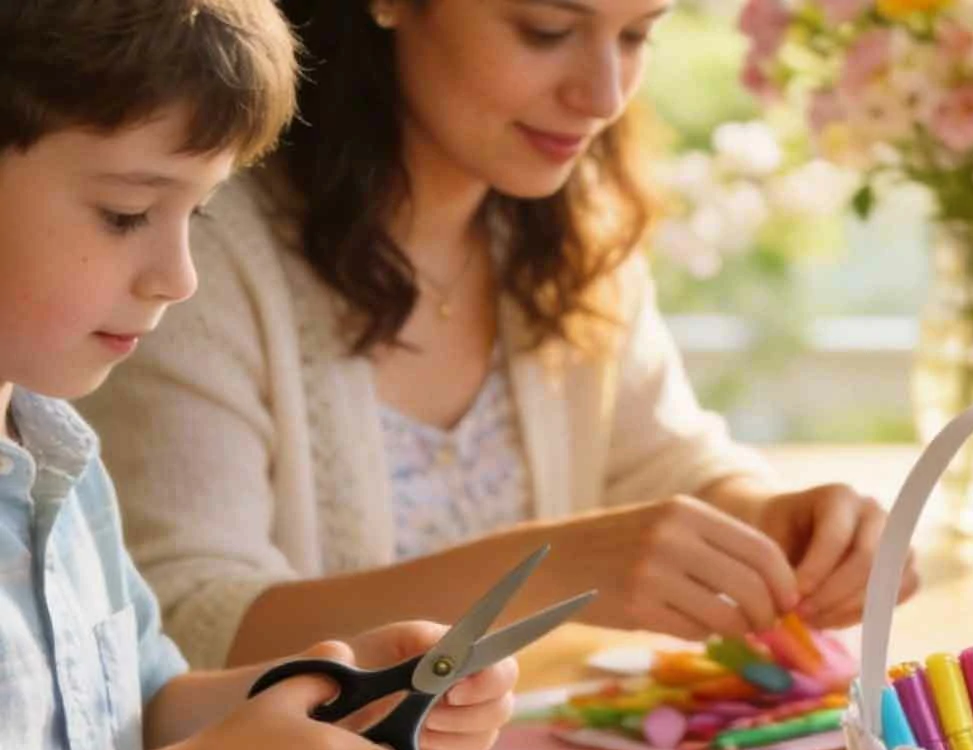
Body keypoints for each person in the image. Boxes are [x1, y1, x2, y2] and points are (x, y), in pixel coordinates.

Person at [81, 0, 915, 669]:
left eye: (636, 35)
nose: (603, 94)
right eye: (547, 30)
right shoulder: (192, 251)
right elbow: (183, 627)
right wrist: (550, 570)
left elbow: (659, 463)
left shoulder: (569, 228)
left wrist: (780, 525)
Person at [0, 0, 517, 750]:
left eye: (196, 214)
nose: (177, 276)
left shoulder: (56, 454)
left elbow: (132, 711)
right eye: (125, 212)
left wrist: (336, 692)